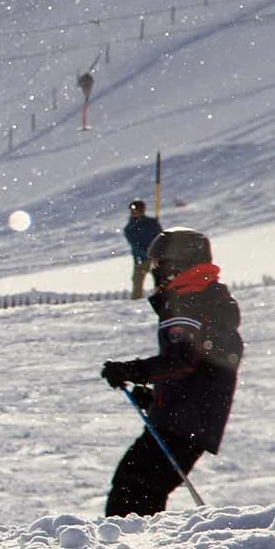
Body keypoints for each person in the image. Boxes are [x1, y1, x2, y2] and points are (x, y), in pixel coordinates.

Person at [100, 227, 242, 517]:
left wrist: (133, 370)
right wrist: (157, 400)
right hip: (187, 421)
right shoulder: (202, 298)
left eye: (158, 264)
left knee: (133, 488)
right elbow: (200, 369)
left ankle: (127, 543)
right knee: (140, 487)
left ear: (176, 264)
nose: (155, 272)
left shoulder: (188, 302)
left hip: (183, 424)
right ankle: (137, 540)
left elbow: (183, 361)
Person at [122, 200, 162, 300]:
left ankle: (162, 299)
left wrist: (157, 253)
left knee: (161, 282)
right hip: (140, 259)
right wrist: (147, 254)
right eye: (135, 210)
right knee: (137, 282)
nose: (137, 212)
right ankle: (136, 302)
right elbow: (135, 245)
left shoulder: (152, 223)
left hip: (155, 258)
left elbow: (160, 238)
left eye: (140, 209)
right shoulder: (129, 228)